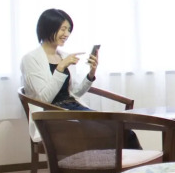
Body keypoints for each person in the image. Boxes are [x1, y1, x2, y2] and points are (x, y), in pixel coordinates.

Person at [20, 8, 140, 148]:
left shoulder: (64, 56)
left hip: (72, 108)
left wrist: (91, 73)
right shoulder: (30, 59)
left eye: (69, 30)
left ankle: (135, 162)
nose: (67, 34)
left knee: (123, 130)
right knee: (111, 131)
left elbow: (75, 93)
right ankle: (118, 162)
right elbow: (43, 99)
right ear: (48, 28)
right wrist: (60, 68)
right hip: (53, 115)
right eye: (63, 29)